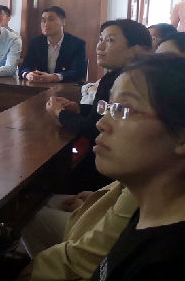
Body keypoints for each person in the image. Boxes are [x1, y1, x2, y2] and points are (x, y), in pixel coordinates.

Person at [76, 54, 185, 281]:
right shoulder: (148, 213)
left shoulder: (167, 271)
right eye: (107, 107)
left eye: (124, 110)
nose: (101, 123)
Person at [0, 181, 137, 281]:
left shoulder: (139, 189)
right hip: (98, 238)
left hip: (92, 279)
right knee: (41, 203)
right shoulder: (140, 180)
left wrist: (34, 267)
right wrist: (97, 199)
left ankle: (35, 278)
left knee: (30, 214)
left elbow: (85, 256)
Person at [46, 19, 151, 191]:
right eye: (101, 39)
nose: (99, 47)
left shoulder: (125, 81)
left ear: (137, 49)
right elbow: (106, 112)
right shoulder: (115, 76)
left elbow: (94, 127)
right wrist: (78, 108)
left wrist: (60, 114)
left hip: (108, 173)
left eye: (110, 40)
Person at [20, 6, 87, 83]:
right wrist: (28, 74)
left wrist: (55, 77)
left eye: (51, 20)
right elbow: (25, 67)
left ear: (63, 22)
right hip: (40, 85)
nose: (46, 24)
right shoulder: (35, 43)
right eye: (43, 20)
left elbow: (78, 72)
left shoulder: (77, 44)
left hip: (66, 87)